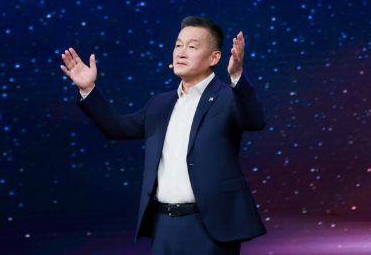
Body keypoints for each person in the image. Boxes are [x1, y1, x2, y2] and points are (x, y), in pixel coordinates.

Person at [60, 16, 267, 254]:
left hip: (212, 226)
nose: (181, 52)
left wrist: (237, 76)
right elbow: (116, 128)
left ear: (214, 58)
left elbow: (255, 121)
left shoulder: (228, 96)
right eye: (178, 45)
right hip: (164, 224)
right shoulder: (159, 103)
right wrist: (88, 89)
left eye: (192, 46)